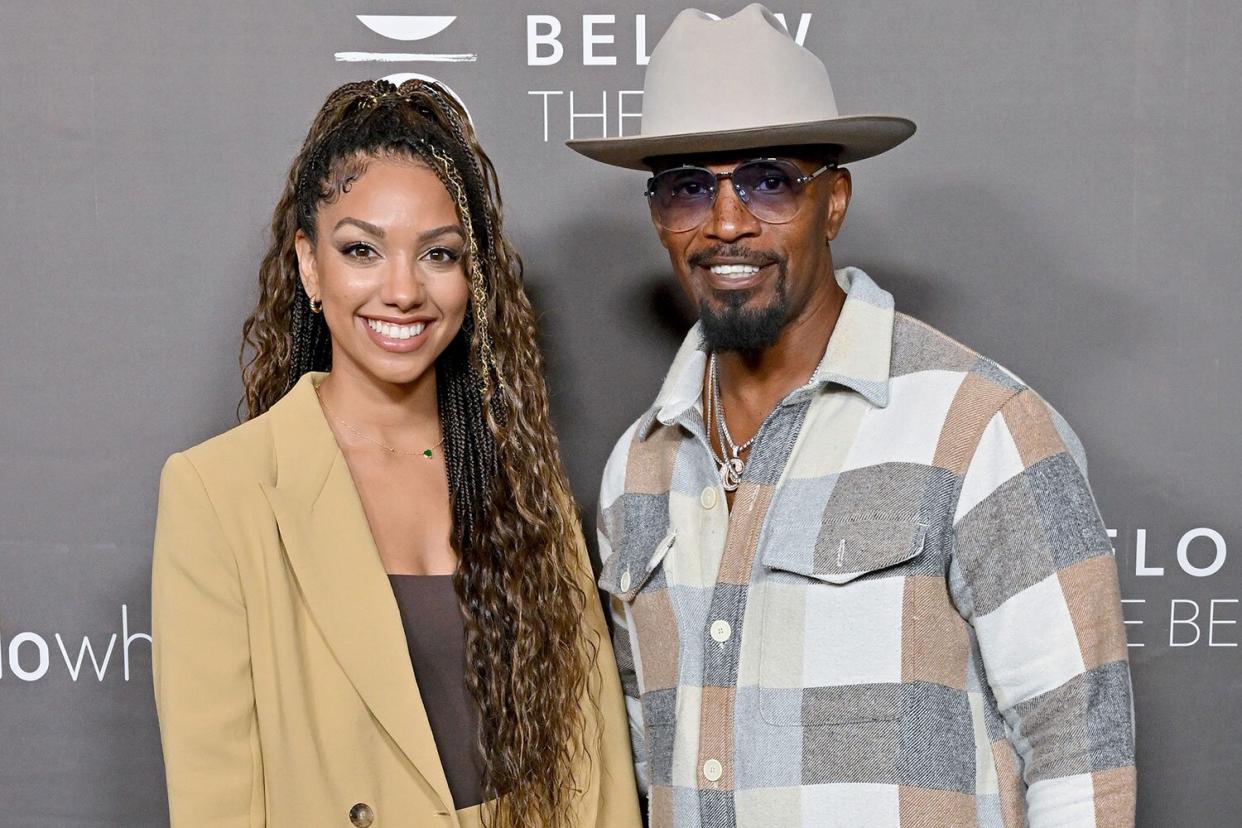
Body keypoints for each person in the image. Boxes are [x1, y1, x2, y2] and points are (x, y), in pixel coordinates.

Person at [568, 5, 1136, 827]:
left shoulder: (978, 425)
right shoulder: (639, 463)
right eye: (689, 188)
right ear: (659, 216)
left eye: (769, 181)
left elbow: (1082, 758)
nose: (727, 223)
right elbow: (641, 760)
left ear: (833, 201)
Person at [151, 78, 641, 828]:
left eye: (438, 254)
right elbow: (215, 801)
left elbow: (598, 775)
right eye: (362, 250)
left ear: (471, 278)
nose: (403, 290)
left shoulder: (521, 484)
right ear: (310, 266)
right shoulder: (220, 492)